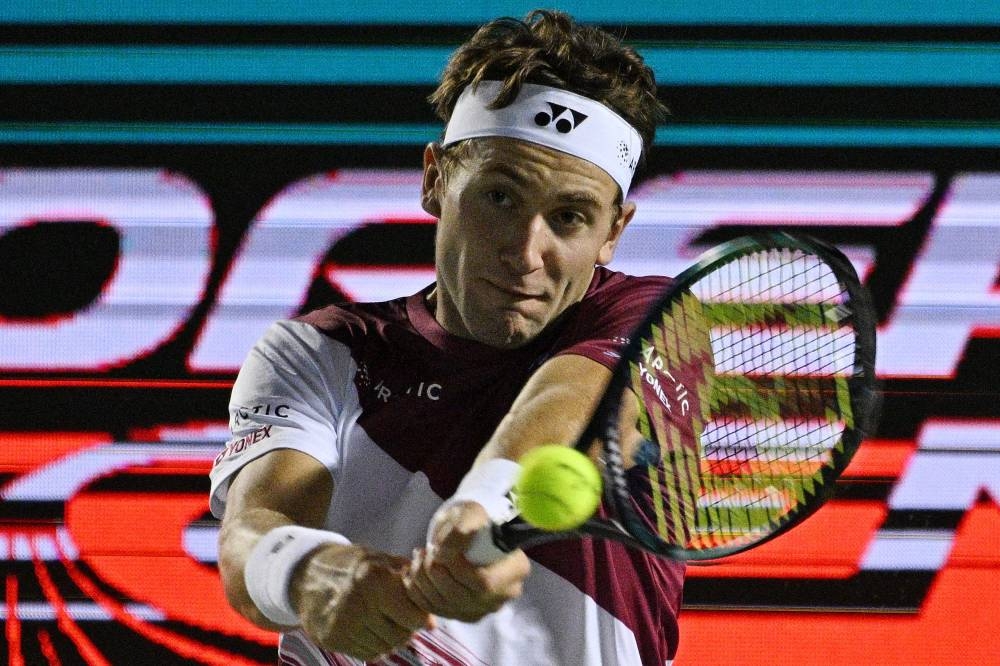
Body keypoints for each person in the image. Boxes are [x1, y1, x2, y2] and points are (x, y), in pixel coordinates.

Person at [210, 9, 689, 665]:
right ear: (435, 179)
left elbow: (570, 404)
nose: (526, 252)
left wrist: (480, 507)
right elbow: (250, 535)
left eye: (570, 217)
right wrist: (308, 573)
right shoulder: (319, 353)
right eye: (499, 198)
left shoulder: (660, 319)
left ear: (614, 230)